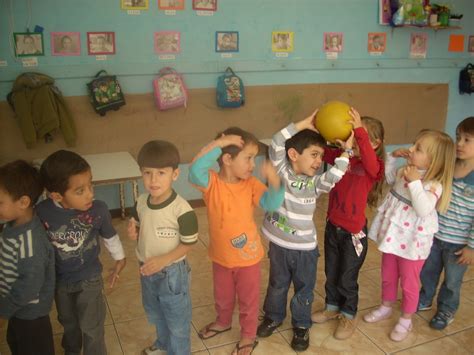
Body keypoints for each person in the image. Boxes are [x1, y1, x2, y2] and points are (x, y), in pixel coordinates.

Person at [257, 111, 352, 351]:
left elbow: (335, 174)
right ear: (293, 155)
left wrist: (347, 152)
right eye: (314, 155)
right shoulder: (281, 171)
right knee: (277, 284)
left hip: (305, 250)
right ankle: (273, 317)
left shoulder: (316, 182)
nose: (319, 161)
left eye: (321, 156)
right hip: (279, 245)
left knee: (304, 289)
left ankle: (301, 325)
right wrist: (300, 125)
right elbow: (278, 141)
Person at [189, 127, 284, 355]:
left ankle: (248, 336)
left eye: (254, 158)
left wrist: (275, 183)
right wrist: (221, 143)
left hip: (248, 258)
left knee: (248, 301)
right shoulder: (211, 183)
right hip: (220, 256)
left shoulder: (250, 184)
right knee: (222, 296)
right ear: (228, 159)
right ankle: (223, 322)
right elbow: (195, 170)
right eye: (248, 158)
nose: (253, 165)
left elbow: (271, 203)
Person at [365, 129, 455, 342]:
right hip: (393, 238)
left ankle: (406, 319)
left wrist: (415, 182)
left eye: (418, 149)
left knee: (409, 283)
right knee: (387, 275)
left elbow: (423, 209)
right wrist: (392, 158)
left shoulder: (434, 185)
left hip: (413, 245)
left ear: (434, 160)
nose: (411, 150)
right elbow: (387, 178)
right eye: (413, 145)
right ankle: (386, 306)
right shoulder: (405, 170)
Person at [36, 150, 126, 355]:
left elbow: (109, 236)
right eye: (80, 190)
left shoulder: (98, 210)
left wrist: (120, 259)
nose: (90, 194)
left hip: (89, 277)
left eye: (90, 185)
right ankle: (72, 349)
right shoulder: (42, 212)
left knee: (91, 326)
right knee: (68, 322)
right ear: (56, 195)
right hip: (59, 280)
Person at [312, 109, 386, 340]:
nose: (353, 140)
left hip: (354, 234)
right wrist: (319, 132)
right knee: (332, 271)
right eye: (352, 134)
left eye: (358, 136)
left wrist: (359, 133)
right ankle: (332, 307)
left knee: (347, 277)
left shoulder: (375, 166)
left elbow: (370, 161)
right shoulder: (344, 158)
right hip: (333, 227)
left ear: (374, 143)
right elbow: (322, 153)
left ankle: (348, 314)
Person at [127, 140, 198, 355]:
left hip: (172, 274)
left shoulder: (182, 210)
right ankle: (163, 345)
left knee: (177, 321)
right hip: (147, 269)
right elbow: (138, 223)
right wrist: (133, 231)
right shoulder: (140, 201)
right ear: (141, 173)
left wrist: (164, 260)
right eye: (147, 173)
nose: (153, 180)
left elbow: (188, 243)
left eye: (161, 173)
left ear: (174, 175)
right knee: (156, 313)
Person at [418, 117, 474, 330]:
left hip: (459, 245)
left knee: (452, 281)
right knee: (428, 271)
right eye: (458, 137)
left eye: (467, 140)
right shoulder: (449, 167)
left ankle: (447, 309)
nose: (459, 143)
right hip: (435, 235)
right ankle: (425, 298)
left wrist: (471, 247)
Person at [0, 160, 55, 355]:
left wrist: (4, 310)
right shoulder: (10, 224)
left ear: (23, 202)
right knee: (16, 343)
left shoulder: (30, 242)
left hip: (30, 314)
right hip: (16, 308)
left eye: (0, 202)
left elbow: (29, 287)